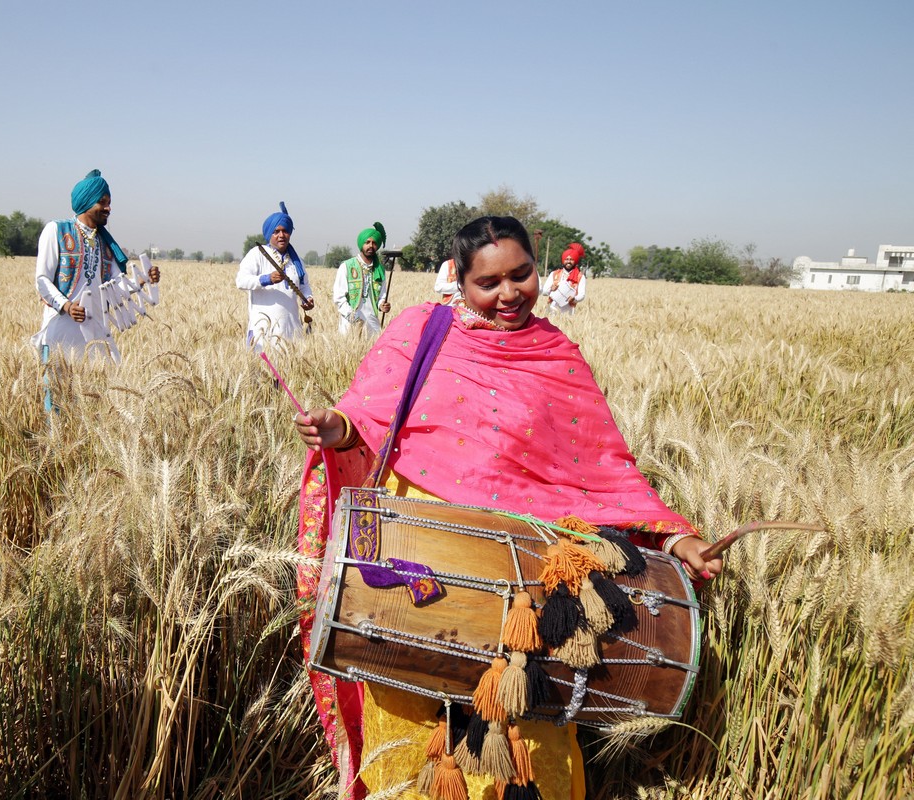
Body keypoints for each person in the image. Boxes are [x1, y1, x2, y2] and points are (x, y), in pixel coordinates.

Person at [293, 216, 722, 799]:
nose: (509, 294)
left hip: (525, 581)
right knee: (410, 717)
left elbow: (604, 472)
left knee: (526, 722)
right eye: (489, 283)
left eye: (521, 275)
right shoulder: (421, 331)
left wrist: (674, 538)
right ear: (459, 282)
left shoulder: (556, 355)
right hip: (414, 566)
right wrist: (334, 428)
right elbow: (364, 420)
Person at [32, 169, 160, 364]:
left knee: (96, 389)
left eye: (109, 203)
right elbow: (42, 280)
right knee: (58, 391)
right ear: (86, 202)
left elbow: (115, 287)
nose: (108, 208)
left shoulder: (104, 243)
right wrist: (67, 306)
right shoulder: (56, 230)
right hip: (60, 328)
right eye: (103, 202)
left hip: (94, 332)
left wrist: (143, 279)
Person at [235, 202, 313, 349]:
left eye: (285, 231)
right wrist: (266, 279)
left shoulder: (296, 261)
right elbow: (241, 281)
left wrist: (308, 298)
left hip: (291, 330)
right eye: (276, 231)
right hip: (263, 331)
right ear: (269, 233)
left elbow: (304, 285)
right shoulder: (257, 254)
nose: (281, 235)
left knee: (290, 371)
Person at [332, 222, 391, 335]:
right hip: (350, 325)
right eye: (367, 242)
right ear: (361, 244)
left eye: (374, 243)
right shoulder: (347, 266)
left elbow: (381, 295)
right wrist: (354, 317)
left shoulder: (380, 270)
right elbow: (339, 297)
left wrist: (382, 305)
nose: (370, 246)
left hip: (372, 325)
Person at [544, 242, 587, 315]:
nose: (569, 261)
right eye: (566, 259)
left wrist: (574, 299)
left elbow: (582, 295)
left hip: (568, 312)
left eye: (571, 259)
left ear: (575, 261)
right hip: (552, 310)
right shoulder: (554, 274)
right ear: (563, 260)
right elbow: (544, 292)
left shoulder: (580, 277)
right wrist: (551, 289)